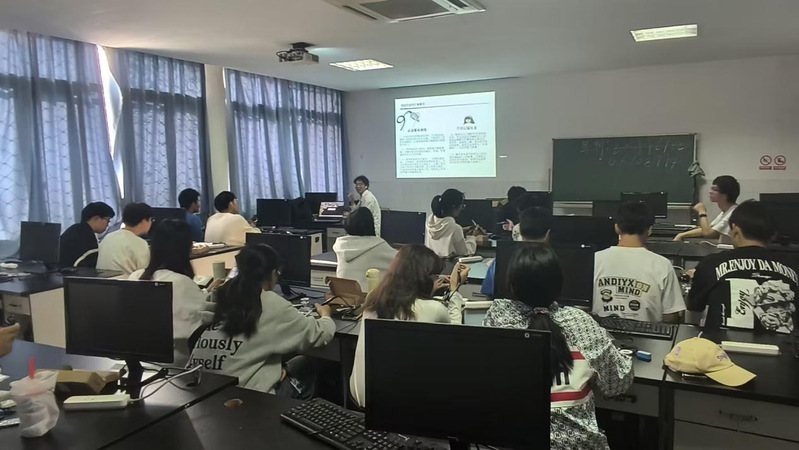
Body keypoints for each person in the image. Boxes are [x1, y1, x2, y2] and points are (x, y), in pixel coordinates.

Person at [483, 243, 634, 450]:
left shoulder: (498, 316)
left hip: (512, 440)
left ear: (512, 285)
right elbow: (616, 384)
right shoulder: (580, 321)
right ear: (559, 284)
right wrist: (623, 354)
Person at [189, 244, 335, 398]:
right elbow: (319, 335)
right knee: (309, 365)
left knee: (295, 361)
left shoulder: (220, 294)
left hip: (200, 392)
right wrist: (325, 315)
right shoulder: (270, 303)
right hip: (244, 398)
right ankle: (303, 411)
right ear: (272, 273)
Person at [350, 245, 469, 407]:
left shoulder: (374, 298)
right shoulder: (434, 309)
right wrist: (454, 290)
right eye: (435, 276)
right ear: (425, 278)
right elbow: (455, 337)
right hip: (396, 407)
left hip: (362, 398)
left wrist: (428, 290)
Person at [688, 200, 798, 333]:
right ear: (773, 234)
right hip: (784, 345)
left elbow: (694, 306)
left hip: (721, 345)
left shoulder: (711, 264)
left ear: (735, 230)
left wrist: (697, 277)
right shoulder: (793, 266)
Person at [129, 219, 211, 366]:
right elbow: (203, 317)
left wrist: (202, 292)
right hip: (174, 364)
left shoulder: (135, 277)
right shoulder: (181, 283)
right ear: (186, 248)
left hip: (138, 361)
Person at [593, 202, 685, 323]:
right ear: (650, 230)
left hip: (599, 332)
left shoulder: (594, 259)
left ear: (616, 228)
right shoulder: (663, 264)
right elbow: (670, 316)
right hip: (646, 334)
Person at [481, 206, 552, 298]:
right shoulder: (554, 261)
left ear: (520, 231)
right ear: (548, 233)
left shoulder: (501, 262)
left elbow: (488, 295)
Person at [332, 208, 397, 291]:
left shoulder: (341, 245)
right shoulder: (378, 246)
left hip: (345, 296)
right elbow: (402, 261)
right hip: (369, 297)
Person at [674, 175, 740, 243]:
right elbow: (708, 228)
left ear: (726, 194)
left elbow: (708, 233)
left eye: (715, 190)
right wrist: (682, 235)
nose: (710, 192)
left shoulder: (733, 213)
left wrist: (702, 212)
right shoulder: (726, 211)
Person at [97, 202, 152, 274]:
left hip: (101, 280)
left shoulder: (108, 237)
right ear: (144, 221)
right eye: (151, 220)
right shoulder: (139, 243)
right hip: (125, 280)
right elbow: (145, 272)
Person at [59, 202, 116, 268]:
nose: (108, 224)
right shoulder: (87, 237)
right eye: (107, 220)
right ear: (96, 218)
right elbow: (91, 267)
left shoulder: (74, 230)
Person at [425, 188, 477, 258]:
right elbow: (465, 252)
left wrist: (462, 231)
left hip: (432, 263)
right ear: (454, 207)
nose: (461, 209)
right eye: (461, 206)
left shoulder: (429, 222)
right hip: (450, 264)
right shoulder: (455, 228)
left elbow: (445, 232)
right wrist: (472, 237)